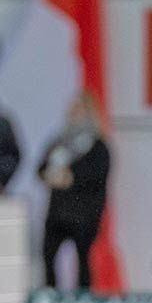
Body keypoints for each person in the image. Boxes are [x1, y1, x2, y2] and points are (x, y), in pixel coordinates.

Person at [38, 92, 110, 289]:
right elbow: (40, 168)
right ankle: (51, 298)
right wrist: (49, 175)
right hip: (58, 212)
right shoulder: (59, 142)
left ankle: (82, 301)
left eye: (78, 108)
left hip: (84, 214)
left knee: (83, 260)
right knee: (48, 255)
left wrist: (71, 178)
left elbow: (97, 175)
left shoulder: (97, 146)